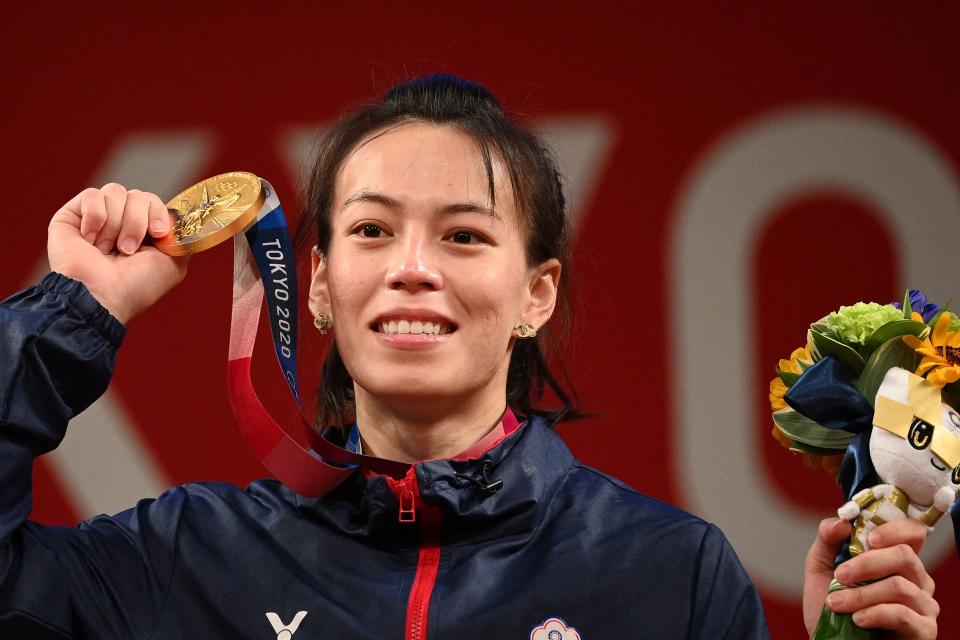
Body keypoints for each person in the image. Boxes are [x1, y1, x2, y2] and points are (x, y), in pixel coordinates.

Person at [0, 75, 939, 639]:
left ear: (538, 294)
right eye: (372, 230)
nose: (412, 269)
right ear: (319, 285)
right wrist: (71, 310)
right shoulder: (186, 560)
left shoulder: (667, 575)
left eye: (463, 236)